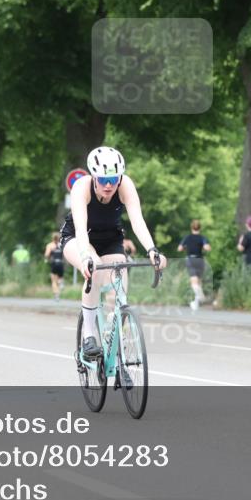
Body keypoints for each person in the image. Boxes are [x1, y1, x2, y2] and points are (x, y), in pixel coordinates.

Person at [60, 146, 167, 357]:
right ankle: (89, 335)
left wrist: (152, 250)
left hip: (110, 238)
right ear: (93, 176)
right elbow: (81, 229)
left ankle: (115, 331)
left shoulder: (125, 185)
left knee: (119, 276)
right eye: (102, 180)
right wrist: (85, 258)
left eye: (114, 179)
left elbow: (137, 220)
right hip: (78, 238)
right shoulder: (81, 187)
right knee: (97, 268)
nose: (109, 185)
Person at [178, 219, 211, 311]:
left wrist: (185, 247)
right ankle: (195, 304)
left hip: (191, 260)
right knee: (199, 282)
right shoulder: (202, 238)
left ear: (191, 227)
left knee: (194, 283)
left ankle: (201, 297)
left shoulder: (187, 238)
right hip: (200, 260)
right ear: (200, 227)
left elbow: (179, 248)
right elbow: (207, 248)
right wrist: (203, 247)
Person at [44, 232, 66, 301]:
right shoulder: (61, 245)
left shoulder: (50, 245)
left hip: (54, 264)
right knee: (60, 277)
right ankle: (61, 282)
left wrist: (47, 259)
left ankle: (56, 295)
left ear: (52, 238)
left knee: (53, 280)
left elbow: (47, 255)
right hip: (61, 263)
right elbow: (65, 255)